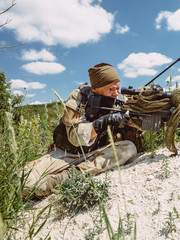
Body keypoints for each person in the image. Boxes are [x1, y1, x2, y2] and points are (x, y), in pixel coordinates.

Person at [23, 63, 138, 197]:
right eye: (110, 89)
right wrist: (103, 122)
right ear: (95, 89)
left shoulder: (119, 99)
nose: (115, 93)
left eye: (117, 88)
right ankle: (58, 179)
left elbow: (143, 102)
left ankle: (67, 176)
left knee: (129, 148)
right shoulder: (79, 98)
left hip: (97, 153)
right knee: (25, 183)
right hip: (65, 154)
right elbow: (74, 137)